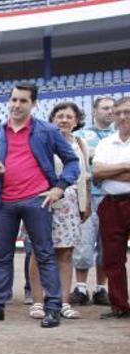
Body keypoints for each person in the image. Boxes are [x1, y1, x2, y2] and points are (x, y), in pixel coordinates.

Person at [0, 82, 79, 328]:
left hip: (37, 200)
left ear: (34, 104)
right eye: (14, 100)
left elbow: (72, 162)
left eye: (23, 100)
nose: (17, 105)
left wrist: (59, 188)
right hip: (4, 201)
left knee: (44, 254)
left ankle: (52, 308)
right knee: (2, 255)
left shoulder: (47, 131)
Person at [27, 102, 90, 320]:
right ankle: (37, 301)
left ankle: (63, 302)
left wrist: (85, 204)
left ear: (76, 121)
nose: (64, 120)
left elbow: (84, 178)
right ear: (52, 120)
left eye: (69, 116)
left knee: (66, 253)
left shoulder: (80, 144)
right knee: (39, 251)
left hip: (70, 203)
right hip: (42, 199)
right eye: (59, 116)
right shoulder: (41, 139)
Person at [71, 96, 115, 306]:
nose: (109, 111)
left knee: (107, 243)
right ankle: (80, 287)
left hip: (110, 196)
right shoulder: (80, 136)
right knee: (84, 242)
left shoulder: (120, 137)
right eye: (105, 108)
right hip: (86, 195)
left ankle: (101, 288)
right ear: (94, 111)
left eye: (112, 108)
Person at [91, 96, 130, 319]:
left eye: (128, 112)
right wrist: (126, 166)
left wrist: (110, 170)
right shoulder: (106, 143)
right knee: (112, 258)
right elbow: (97, 173)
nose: (123, 116)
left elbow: (104, 172)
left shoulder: (106, 146)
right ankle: (119, 305)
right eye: (119, 112)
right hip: (111, 203)